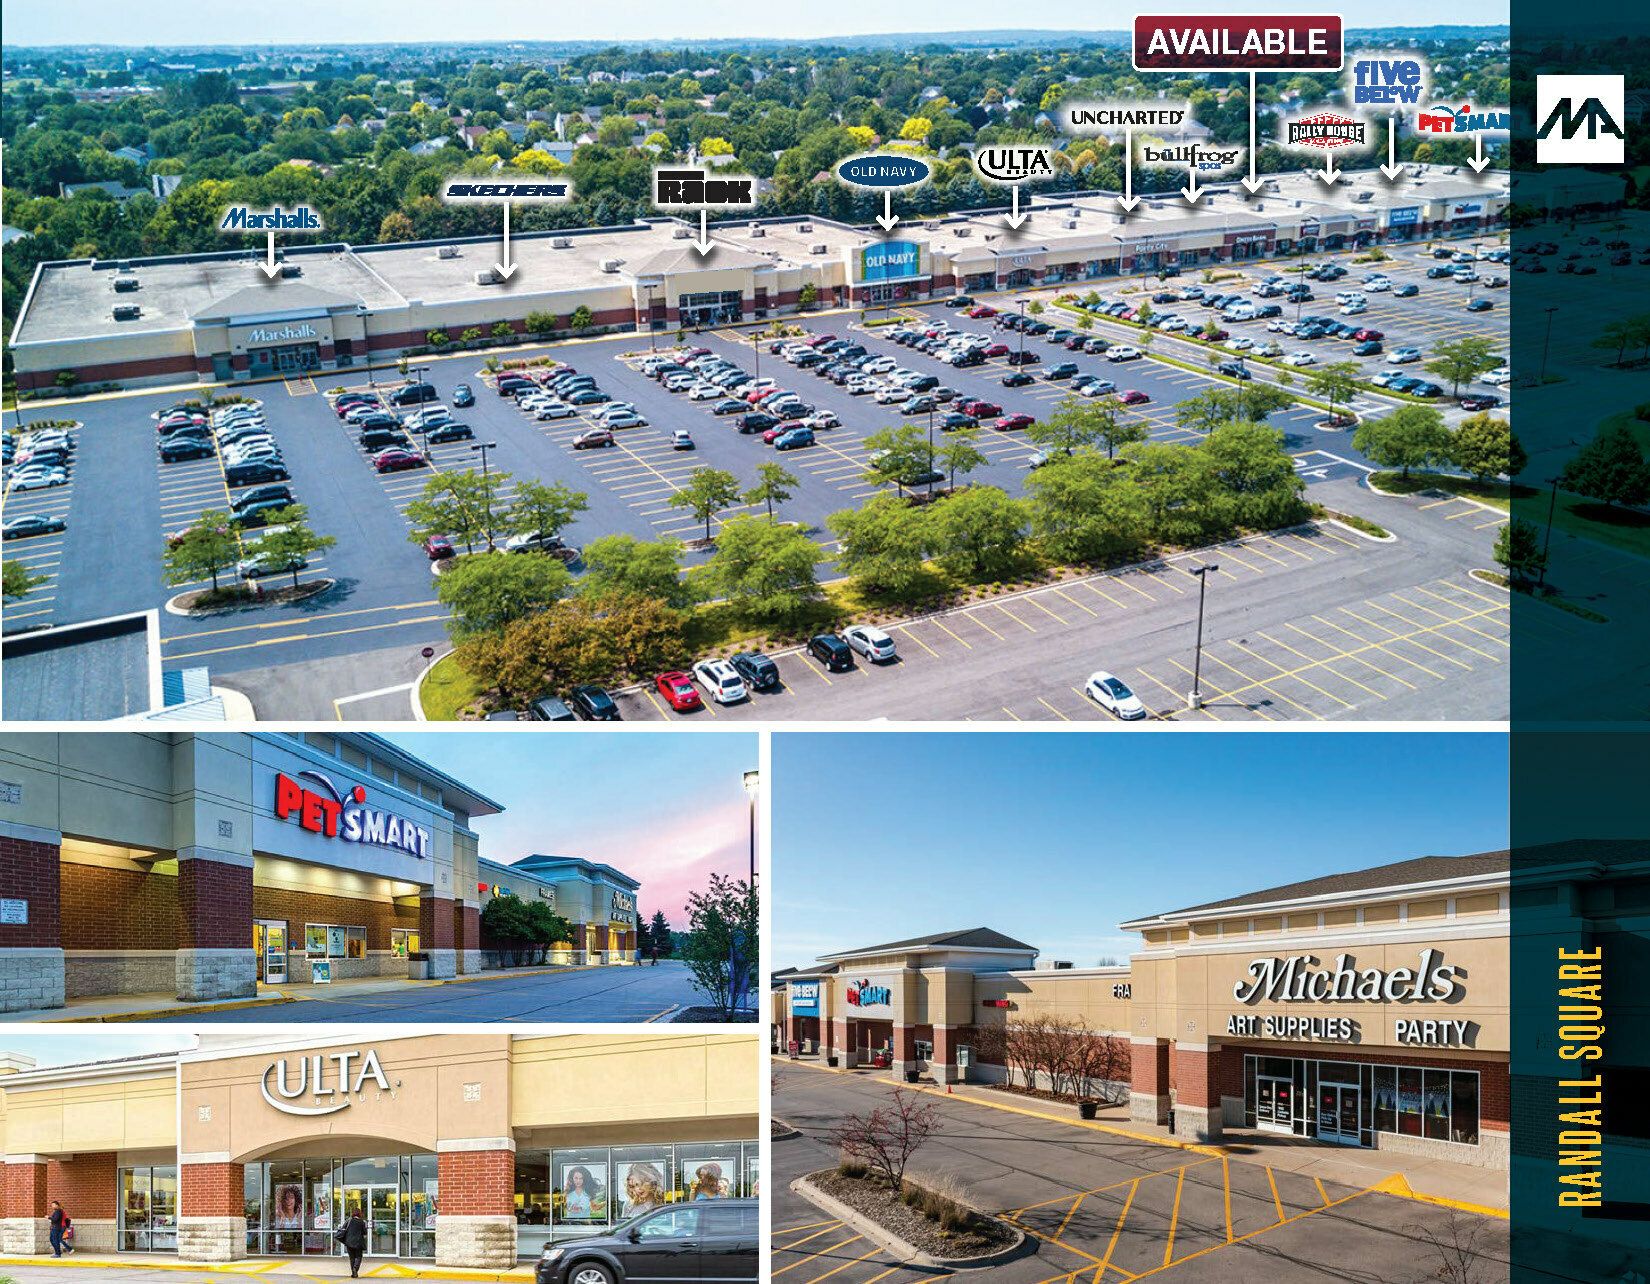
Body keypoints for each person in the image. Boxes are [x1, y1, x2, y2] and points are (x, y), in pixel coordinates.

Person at [335, 1207, 367, 1278]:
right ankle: (355, 1268)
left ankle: (353, 1273)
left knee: (352, 1258)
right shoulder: (362, 1222)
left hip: (349, 1242)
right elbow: (365, 1232)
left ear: (353, 1213)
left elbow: (343, 1228)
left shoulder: (349, 1220)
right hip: (358, 1242)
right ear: (359, 1214)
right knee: (359, 1256)